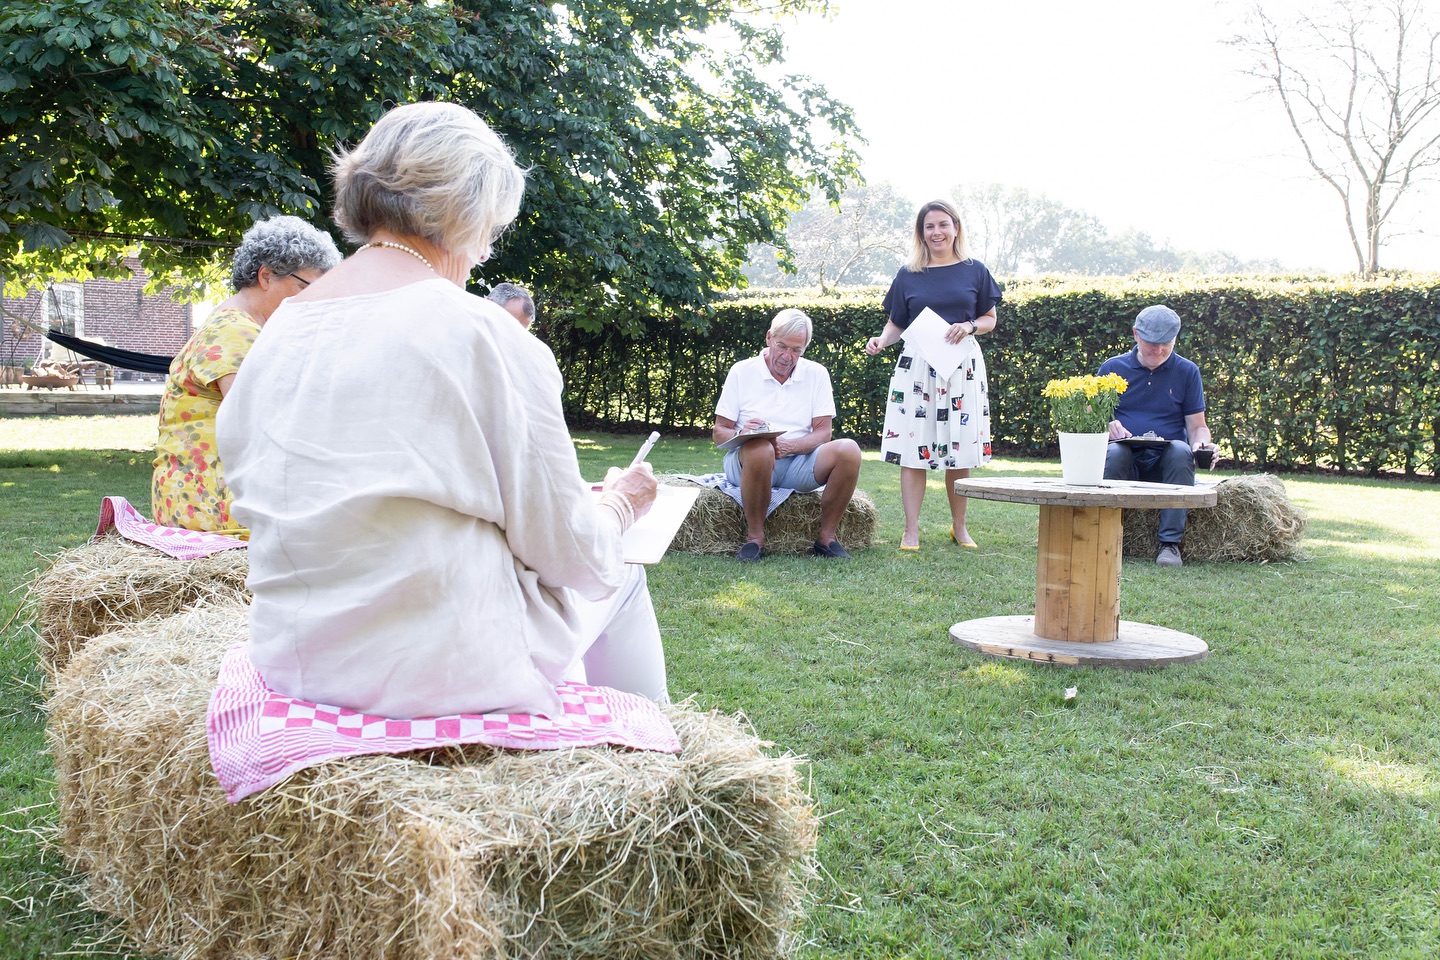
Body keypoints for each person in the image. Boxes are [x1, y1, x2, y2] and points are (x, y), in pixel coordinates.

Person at [216, 102, 668, 719]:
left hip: (297, 660)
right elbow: (576, 556)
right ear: (471, 214)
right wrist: (619, 502)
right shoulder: (483, 332)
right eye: (491, 232)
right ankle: (655, 760)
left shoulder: (276, 333)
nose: (483, 253)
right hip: (442, 674)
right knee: (622, 575)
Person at [151, 216, 341, 535]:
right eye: (305, 287)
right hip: (210, 507)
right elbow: (268, 425)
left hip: (190, 500)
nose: (314, 302)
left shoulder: (232, 324)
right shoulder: (235, 332)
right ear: (266, 276)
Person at [864, 200, 1000, 551]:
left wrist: (969, 326)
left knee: (961, 448)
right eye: (929, 227)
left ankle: (960, 527)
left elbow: (989, 319)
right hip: (918, 370)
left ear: (956, 227)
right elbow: (896, 322)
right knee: (913, 447)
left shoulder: (975, 270)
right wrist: (882, 340)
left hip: (961, 369)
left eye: (943, 224)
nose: (936, 232)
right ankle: (911, 531)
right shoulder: (908, 274)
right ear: (921, 232)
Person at [713, 308, 862, 561]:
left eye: (796, 350)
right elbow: (719, 433)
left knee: (849, 449)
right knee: (761, 449)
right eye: (782, 346)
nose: (787, 356)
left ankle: (826, 539)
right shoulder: (742, 370)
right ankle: (754, 539)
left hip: (799, 462)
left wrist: (791, 446)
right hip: (748, 462)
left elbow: (824, 432)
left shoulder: (816, 373)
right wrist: (742, 432)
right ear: (769, 337)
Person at [1098, 304, 1218, 568]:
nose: (1159, 350)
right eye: (1152, 343)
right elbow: (1092, 420)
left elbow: (1197, 425)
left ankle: (1170, 546)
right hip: (1123, 459)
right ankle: (1104, 537)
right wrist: (1106, 426)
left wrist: (1201, 442)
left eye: (1167, 344)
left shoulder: (1187, 371)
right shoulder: (1111, 368)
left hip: (1167, 463)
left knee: (1180, 450)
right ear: (1135, 335)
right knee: (1116, 451)